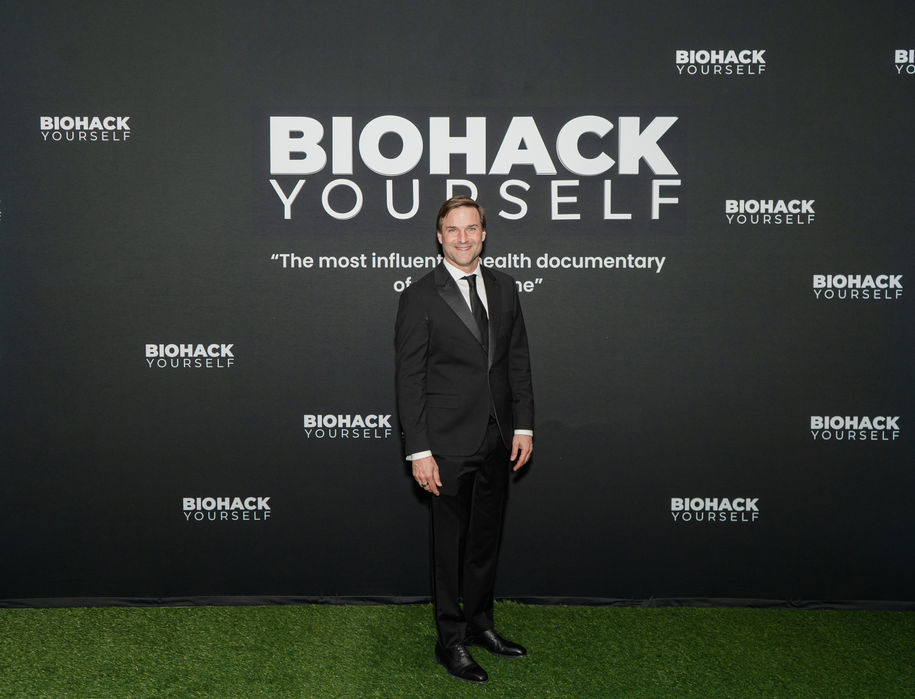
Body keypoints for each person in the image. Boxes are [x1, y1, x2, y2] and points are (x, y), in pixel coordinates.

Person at [394, 195, 534, 684]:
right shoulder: (419, 295)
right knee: (449, 548)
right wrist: (419, 450)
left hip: (498, 438)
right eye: (452, 229)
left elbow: (518, 361)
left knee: (484, 541)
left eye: (471, 228)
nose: (463, 238)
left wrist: (523, 426)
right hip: (446, 444)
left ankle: (480, 625)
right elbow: (410, 378)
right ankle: (449, 641)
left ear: (484, 234)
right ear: (439, 237)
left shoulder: (505, 287)